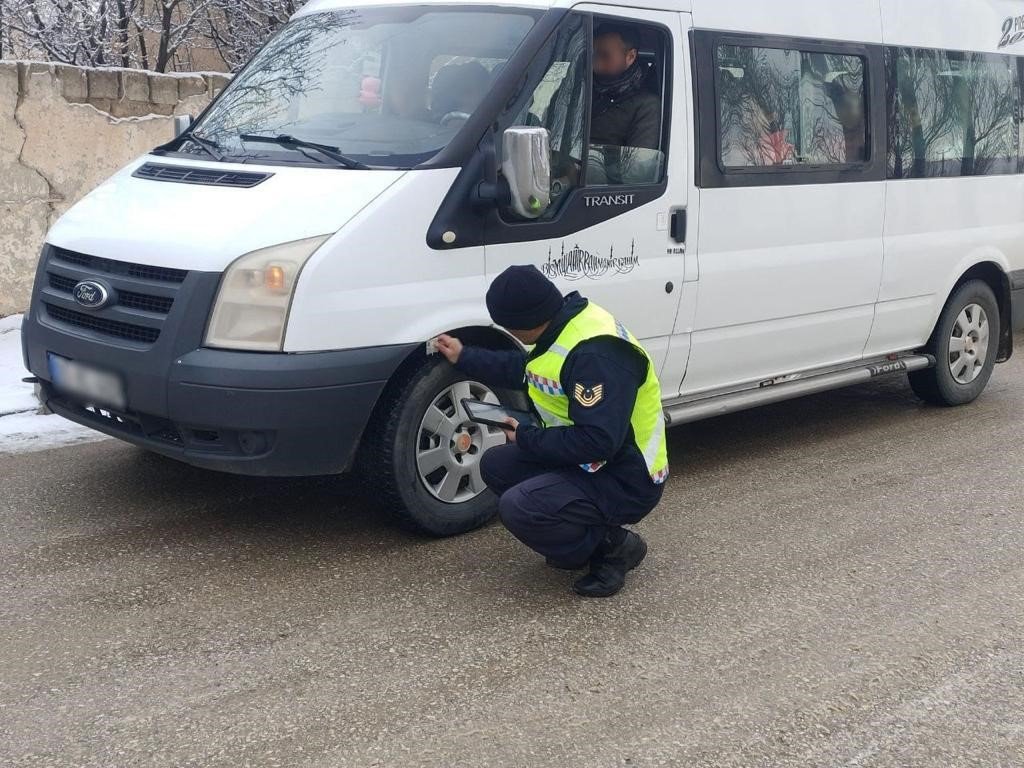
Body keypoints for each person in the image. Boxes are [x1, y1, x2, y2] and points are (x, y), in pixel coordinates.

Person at [434, 266, 669, 598]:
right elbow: (527, 371)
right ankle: (580, 532)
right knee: (497, 465)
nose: (509, 333)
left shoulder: (595, 355)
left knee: (520, 506)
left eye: (508, 327)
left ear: (524, 322)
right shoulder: (561, 329)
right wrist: (464, 356)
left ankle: (614, 547)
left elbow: (598, 441)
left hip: (628, 476)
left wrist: (527, 437)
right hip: (590, 461)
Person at [590, 24, 661, 151]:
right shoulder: (582, 88)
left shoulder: (647, 105)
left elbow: (637, 166)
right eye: (594, 55)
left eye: (605, 56)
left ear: (630, 57)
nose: (597, 66)